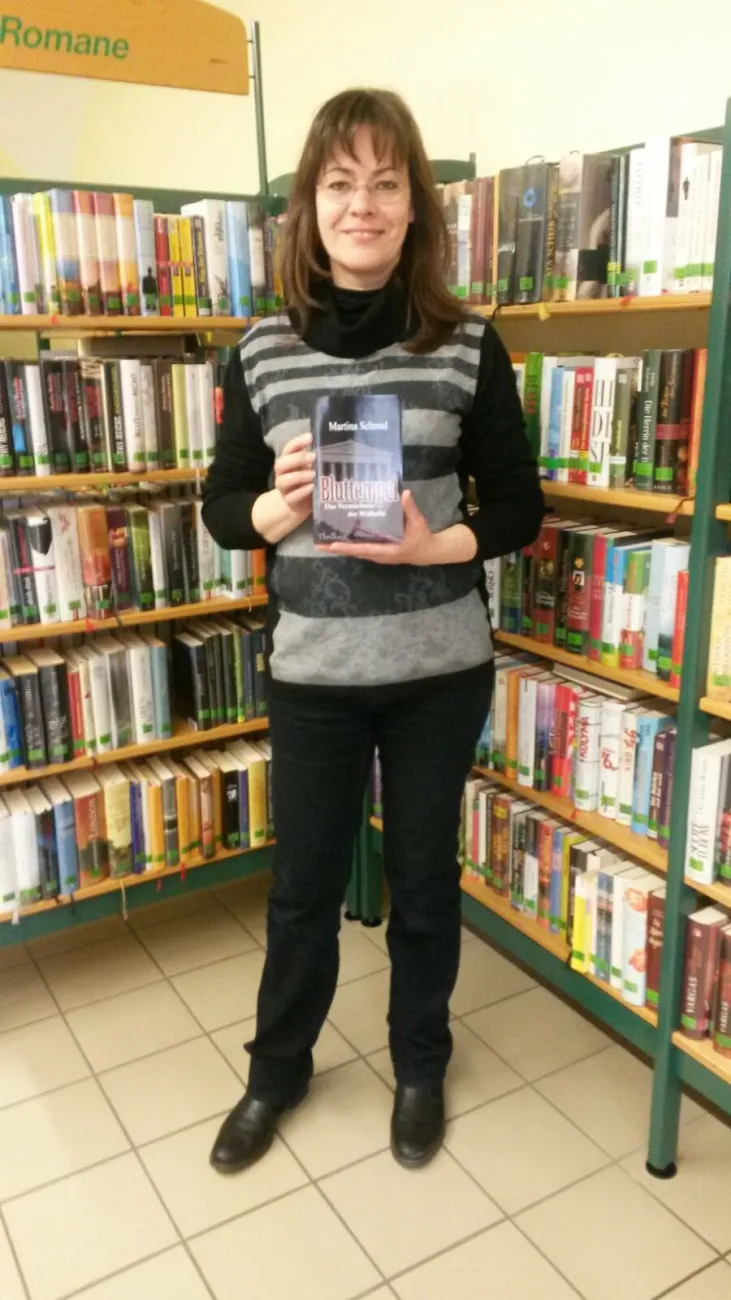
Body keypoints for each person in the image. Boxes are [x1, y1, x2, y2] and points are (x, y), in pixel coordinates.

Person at [202, 87, 543, 1175]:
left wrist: (434, 545)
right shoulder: (261, 349)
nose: (362, 205)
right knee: (302, 888)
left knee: (425, 883)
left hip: (438, 670)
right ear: (309, 205)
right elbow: (221, 510)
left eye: (385, 183)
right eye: (340, 183)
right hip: (313, 674)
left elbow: (519, 508)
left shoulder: (467, 344)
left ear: (413, 207)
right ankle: (275, 1072)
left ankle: (419, 1065)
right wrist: (278, 507)